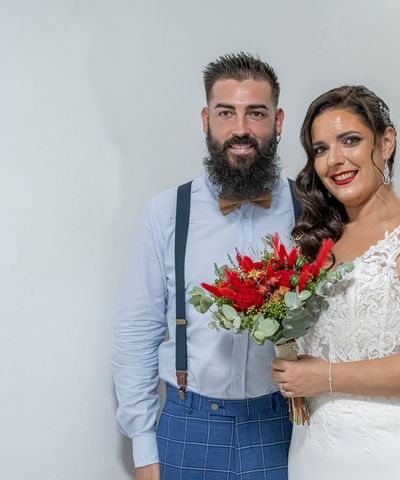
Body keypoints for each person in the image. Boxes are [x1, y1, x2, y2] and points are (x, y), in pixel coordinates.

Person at [113, 53, 296, 480]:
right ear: (205, 119)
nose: (241, 129)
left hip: (285, 424)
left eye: (256, 113)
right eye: (226, 112)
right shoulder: (166, 212)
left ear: (278, 120)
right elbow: (136, 332)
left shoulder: (309, 209)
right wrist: (143, 449)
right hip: (187, 425)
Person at [271, 85, 400, 479]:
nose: (335, 160)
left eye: (351, 140)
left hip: (399, 453)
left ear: (387, 141)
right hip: (315, 451)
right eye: (321, 149)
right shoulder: (315, 241)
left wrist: (324, 377)